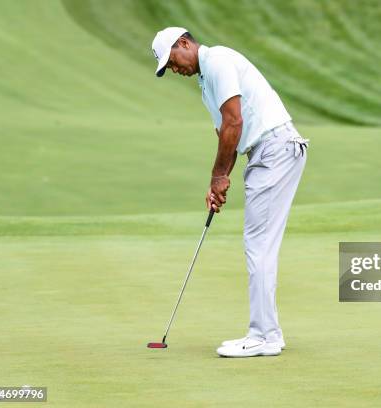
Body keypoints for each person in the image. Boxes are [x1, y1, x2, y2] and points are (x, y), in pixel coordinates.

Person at [151, 27, 308, 357]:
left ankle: (264, 335)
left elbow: (234, 123)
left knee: (259, 244)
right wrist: (218, 182)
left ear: (184, 43)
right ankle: (268, 334)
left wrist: (218, 176)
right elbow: (227, 135)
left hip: (275, 149)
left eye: (172, 60)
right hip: (268, 152)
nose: (174, 69)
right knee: (259, 243)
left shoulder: (218, 60)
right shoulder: (206, 82)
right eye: (167, 67)